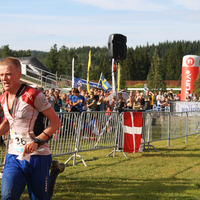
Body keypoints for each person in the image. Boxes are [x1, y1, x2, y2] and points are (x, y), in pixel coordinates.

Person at [0, 57, 63, 200]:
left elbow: (55, 122)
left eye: (8, 74)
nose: (4, 78)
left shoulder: (33, 95)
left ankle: (53, 174)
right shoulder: (3, 97)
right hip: (14, 155)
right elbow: (7, 122)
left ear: (19, 73)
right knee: (8, 196)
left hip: (38, 156)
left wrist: (36, 142)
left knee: (40, 197)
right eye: (1, 75)